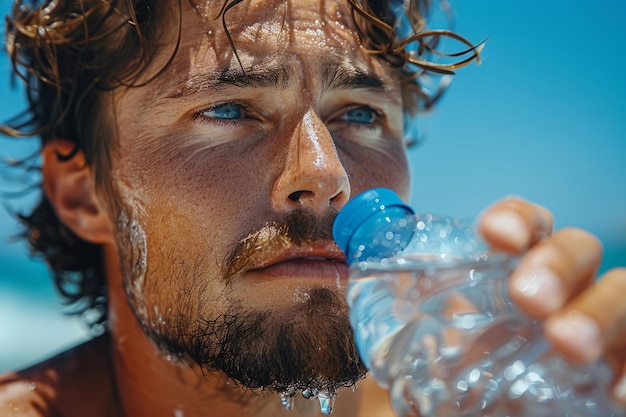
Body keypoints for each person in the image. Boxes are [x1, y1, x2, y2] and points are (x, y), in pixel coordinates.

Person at [0, 0, 624, 416]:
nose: (327, 176)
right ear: (84, 196)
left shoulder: (472, 397)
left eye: (359, 113)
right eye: (227, 111)